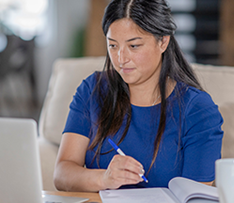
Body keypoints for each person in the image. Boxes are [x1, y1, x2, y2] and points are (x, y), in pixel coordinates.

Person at [53, 0, 223, 192]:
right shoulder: (93, 90)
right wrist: (104, 178)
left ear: (163, 41)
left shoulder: (197, 109)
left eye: (133, 46)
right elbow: (62, 173)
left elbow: (195, 196)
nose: (121, 59)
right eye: (113, 46)